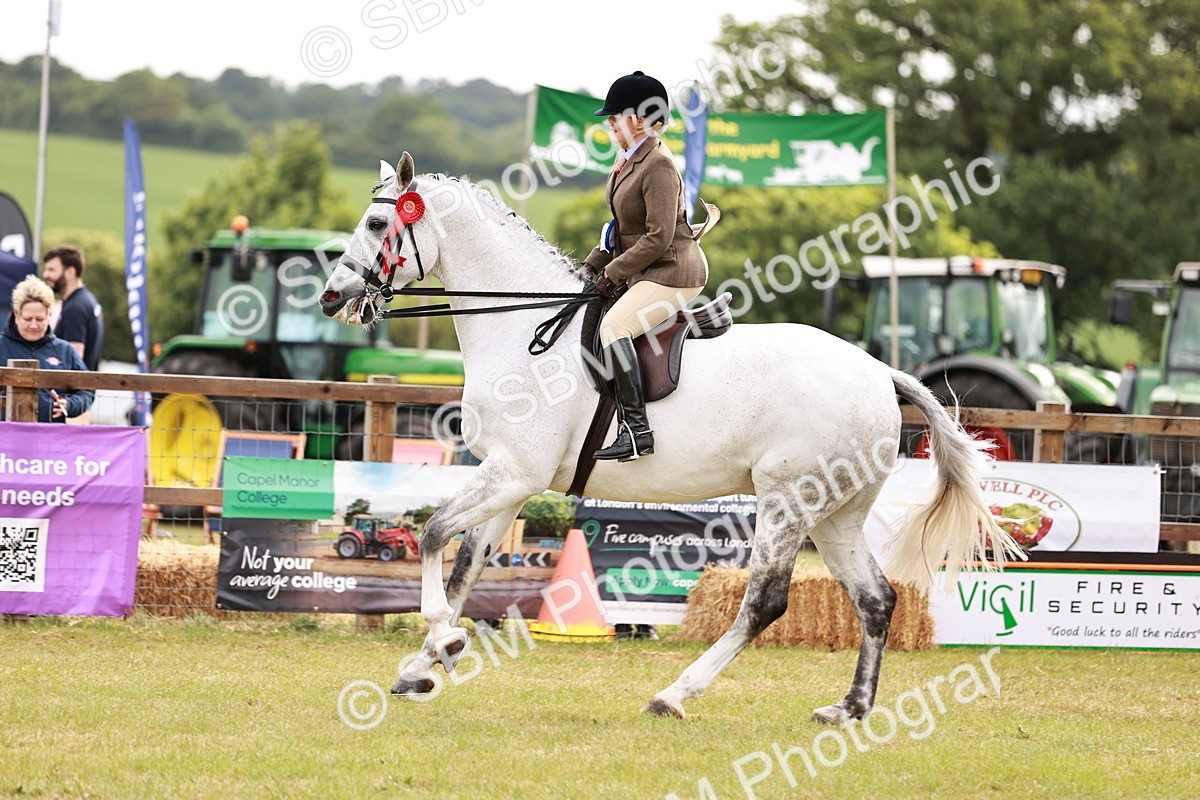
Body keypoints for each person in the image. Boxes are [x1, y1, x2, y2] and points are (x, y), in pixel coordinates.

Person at [583, 71, 711, 462]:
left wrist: (613, 273)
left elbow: (657, 237)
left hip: (675, 271)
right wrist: (590, 266)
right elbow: (621, 231)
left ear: (638, 118)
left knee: (614, 326)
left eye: (614, 116)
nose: (609, 123)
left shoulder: (658, 165)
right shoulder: (628, 161)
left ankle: (637, 432)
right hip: (648, 268)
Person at [0, 275, 94, 423]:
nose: (33, 325)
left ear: (49, 315)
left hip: (51, 439)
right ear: (16, 315)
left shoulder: (65, 350)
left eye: (40, 319)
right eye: (28, 319)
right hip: (5, 439)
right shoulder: (2, 345)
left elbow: (87, 390)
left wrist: (70, 405)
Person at [43, 244, 104, 371]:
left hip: (73, 390)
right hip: (84, 387)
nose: (45, 275)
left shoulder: (75, 308)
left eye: (51, 270)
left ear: (70, 272)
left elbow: (73, 358)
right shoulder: (87, 300)